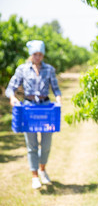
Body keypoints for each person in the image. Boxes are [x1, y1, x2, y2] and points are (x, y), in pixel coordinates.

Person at [5, 40, 62, 189]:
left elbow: (56, 89)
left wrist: (59, 100)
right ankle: (35, 176)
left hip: (45, 108)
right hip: (29, 108)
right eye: (35, 54)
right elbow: (10, 88)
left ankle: (42, 169)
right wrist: (12, 98)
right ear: (31, 54)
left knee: (46, 144)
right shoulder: (22, 69)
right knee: (32, 145)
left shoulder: (49, 69)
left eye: (40, 54)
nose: (37, 57)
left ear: (43, 55)